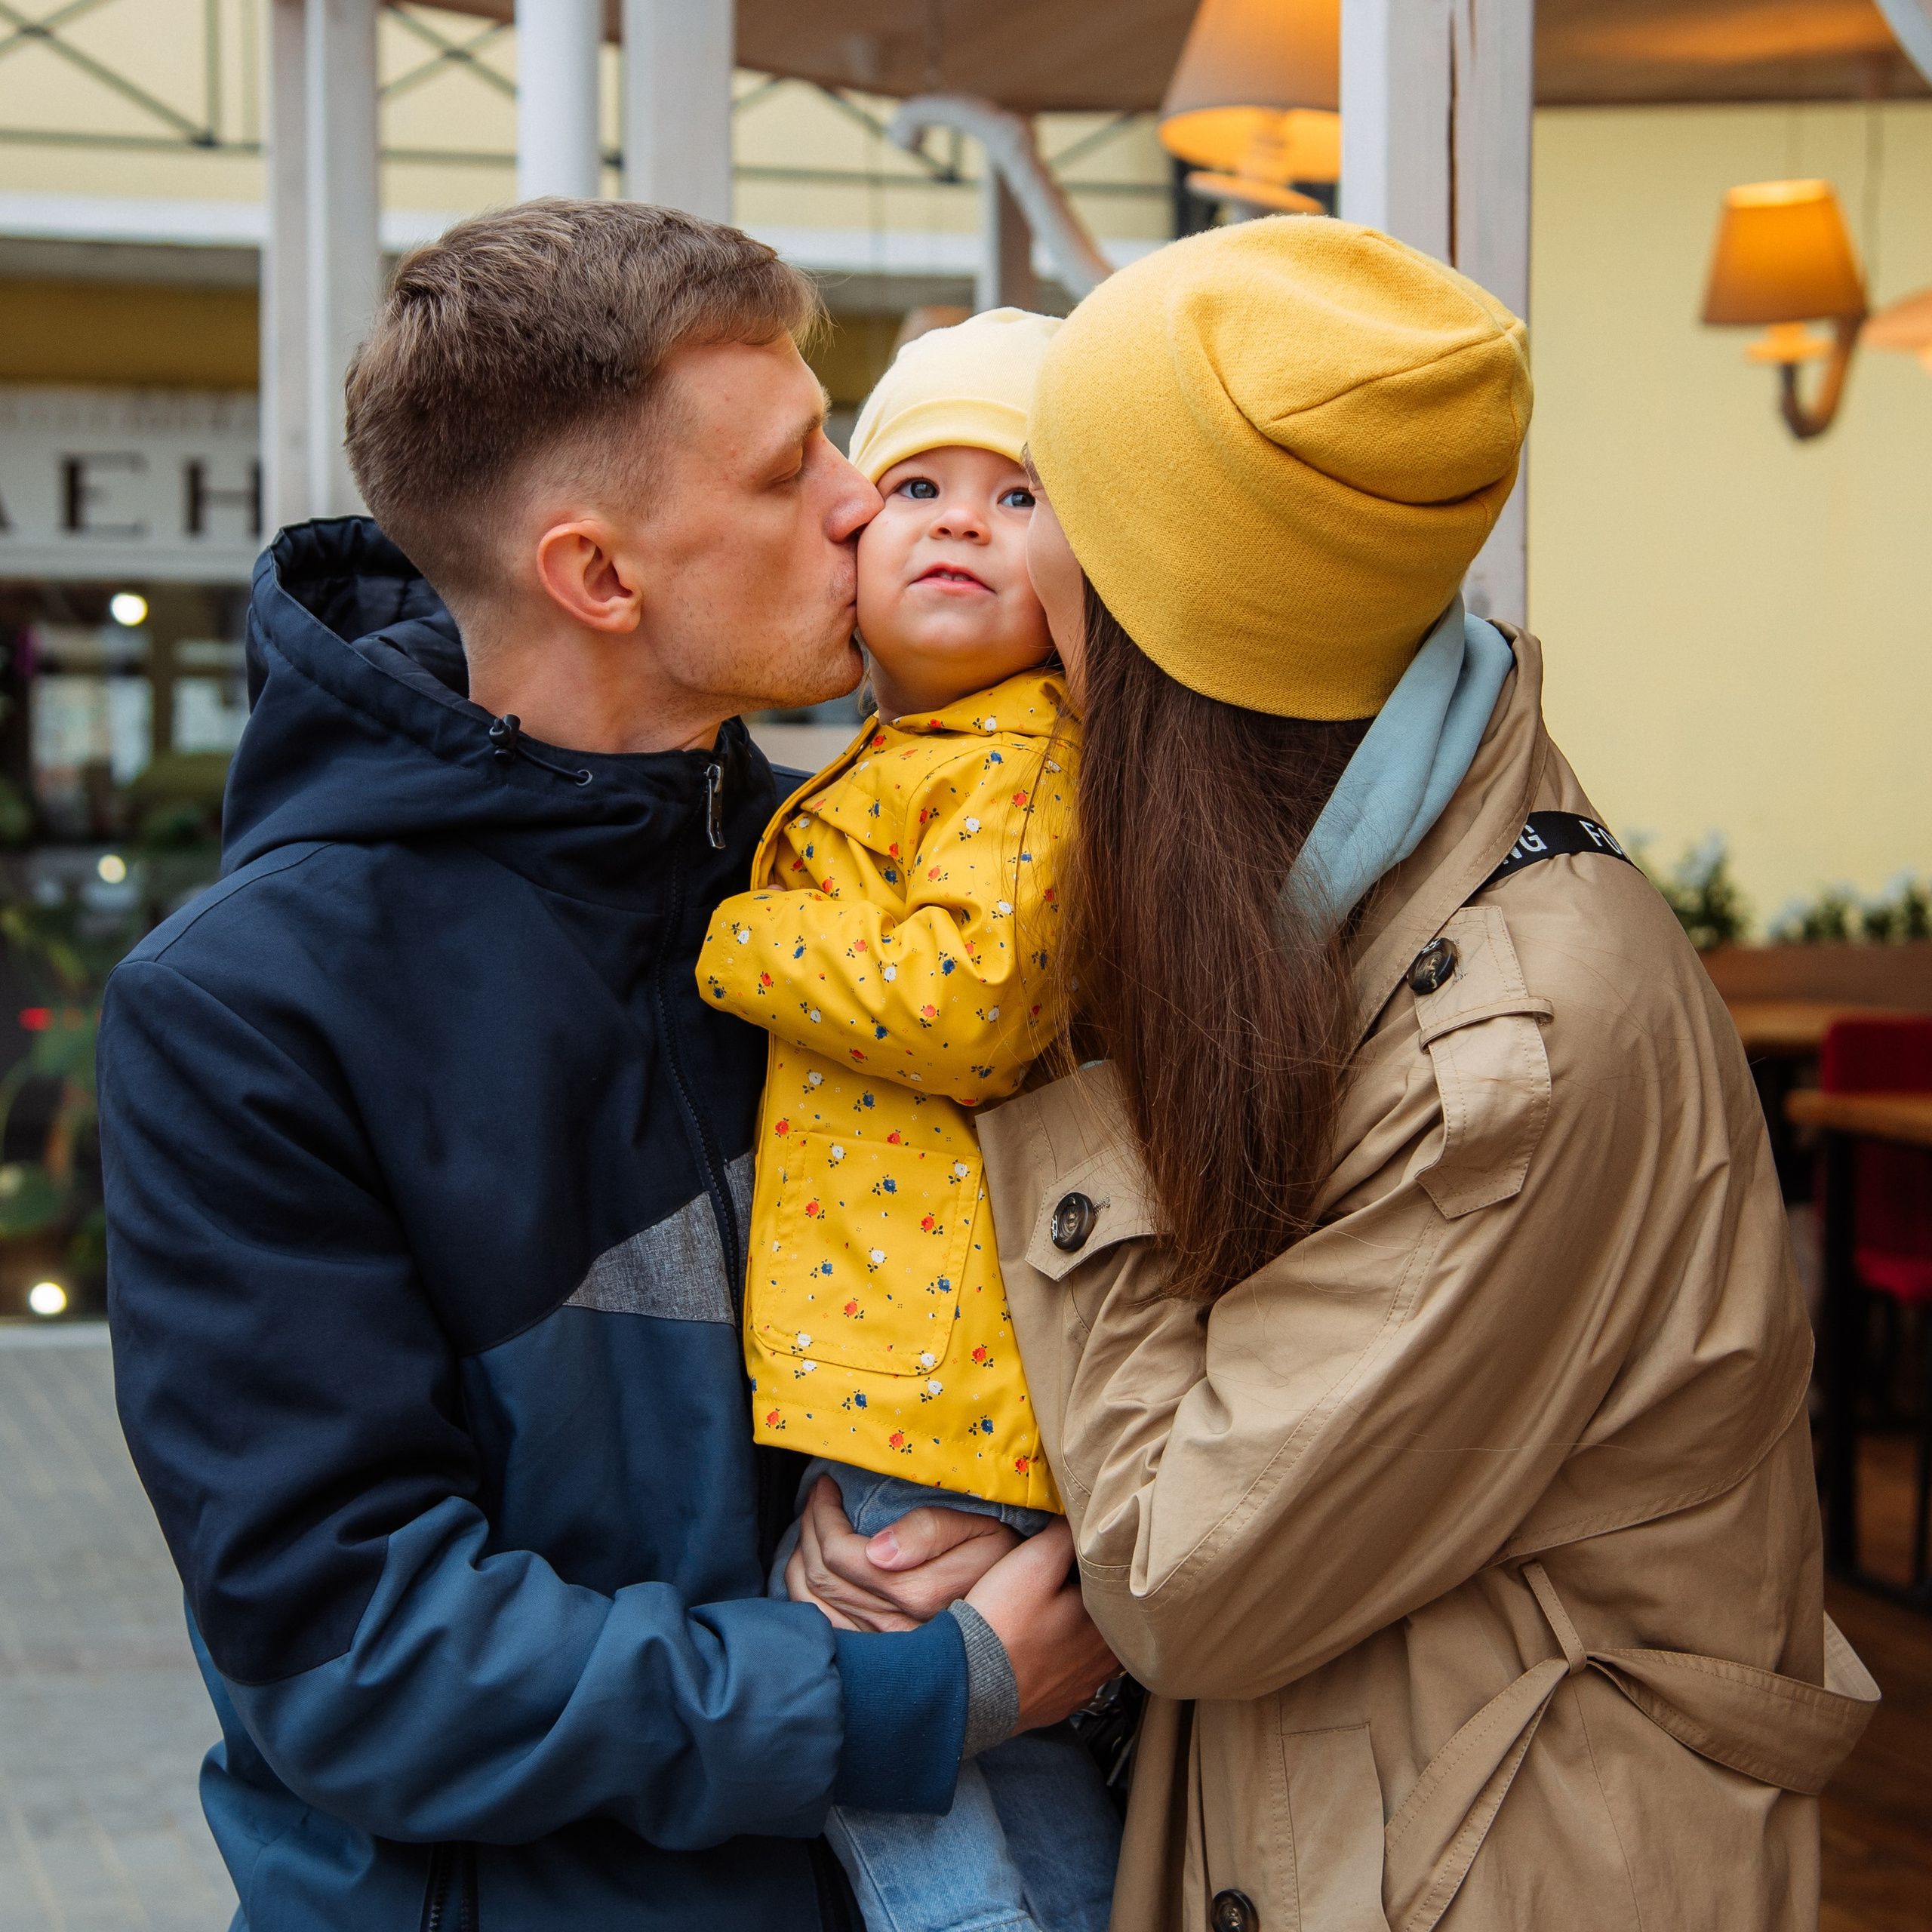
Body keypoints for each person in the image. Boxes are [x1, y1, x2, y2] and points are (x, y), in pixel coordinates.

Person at [794, 217, 1882, 1930]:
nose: (1017, 575)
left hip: (1492, 1867)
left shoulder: (1507, 1054)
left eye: (1054, 511)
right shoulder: (1343, 875)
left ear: (1173, 634)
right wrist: (907, 1503)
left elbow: (1184, 1572)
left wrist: (1016, 1070)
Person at [96, 199, 1112, 1932]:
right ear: (599, 574)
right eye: (796, 468)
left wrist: (1076, 1549)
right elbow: (357, 1650)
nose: (865, 503)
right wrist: (911, 1688)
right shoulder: (247, 1010)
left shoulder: (848, 896)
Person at [699, 306, 1121, 1932]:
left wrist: (731, 932)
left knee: (902, 1782)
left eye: (1018, 497)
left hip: (921, 1371)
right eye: (919, 483)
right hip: (920, 1357)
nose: (960, 518)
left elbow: (967, 1001)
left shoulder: (1017, 763)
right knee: (1012, 1769)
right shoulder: (918, 755)